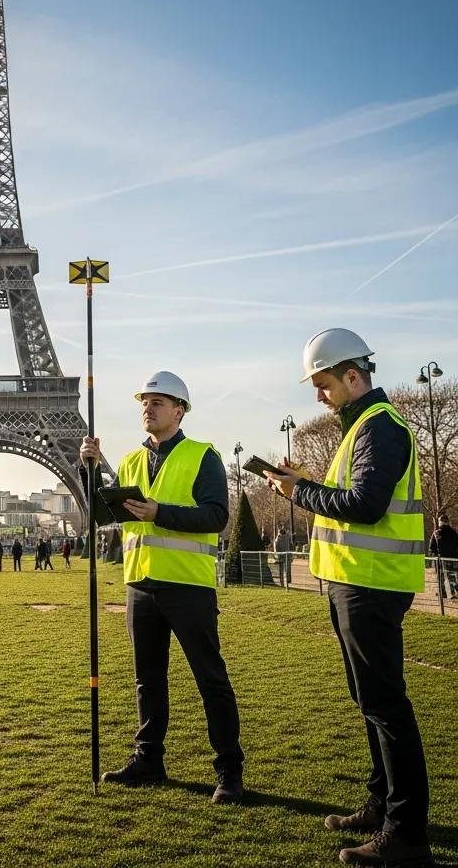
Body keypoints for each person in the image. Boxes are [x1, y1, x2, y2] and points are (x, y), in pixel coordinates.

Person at [266, 329, 433, 866]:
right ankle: (384, 804)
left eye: (323, 384)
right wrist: (306, 482)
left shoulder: (379, 427)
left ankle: (405, 835)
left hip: (372, 584)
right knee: (372, 703)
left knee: (386, 707)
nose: (319, 396)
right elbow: (356, 497)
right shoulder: (364, 426)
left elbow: (362, 505)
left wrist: (298, 492)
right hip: (357, 581)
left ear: (353, 376)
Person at [81, 370, 242, 805]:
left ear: (179, 410)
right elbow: (101, 515)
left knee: (211, 678)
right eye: (144, 403)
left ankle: (229, 769)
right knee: (146, 680)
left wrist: (159, 512)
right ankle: (149, 758)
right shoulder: (131, 461)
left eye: (157, 402)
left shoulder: (202, 456)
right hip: (141, 586)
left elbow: (215, 518)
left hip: (187, 585)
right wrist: (91, 470)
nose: (147, 409)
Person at [428, 512, 458, 600]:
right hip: (453, 558)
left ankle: (443, 593)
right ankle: (452, 593)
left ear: (440, 522)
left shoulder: (436, 533)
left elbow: (431, 547)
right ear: (448, 522)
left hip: (440, 558)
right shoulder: (454, 533)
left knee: (440, 576)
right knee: (451, 575)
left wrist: (435, 554)